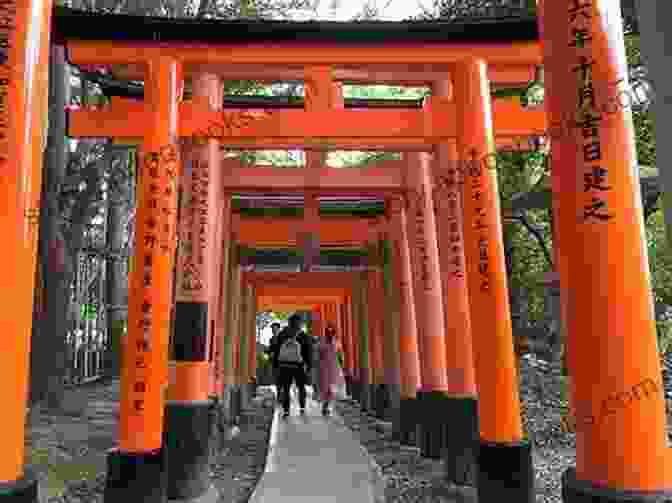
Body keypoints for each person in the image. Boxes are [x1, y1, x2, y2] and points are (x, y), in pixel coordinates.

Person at [270, 314, 313, 418]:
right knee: (301, 387)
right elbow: (308, 352)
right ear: (300, 323)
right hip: (299, 365)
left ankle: (286, 410)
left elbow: (276, 350)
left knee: (286, 388)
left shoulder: (282, 334)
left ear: (289, 322)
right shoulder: (303, 335)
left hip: (284, 365)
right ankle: (302, 407)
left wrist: (275, 364)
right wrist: (309, 365)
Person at [318, 325, 340, 416]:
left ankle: (328, 406)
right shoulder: (322, 343)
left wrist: (342, 367)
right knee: (326, 389)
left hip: (334, 368)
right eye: (328, 332)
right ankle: (325, 406)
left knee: (332, 389)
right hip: (324, 368)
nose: (330, 334)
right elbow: (318, 356)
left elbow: (340, 355)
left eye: (332, 332)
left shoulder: (337, 343)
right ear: (326, 333)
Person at [267, 322, 283, 403]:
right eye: (272, 329)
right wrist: (268, 352)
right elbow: (270, 350)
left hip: (282, 362)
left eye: (275, 328)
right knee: (277, 379)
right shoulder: (271, 339)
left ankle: (282, 396)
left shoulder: (283, 339)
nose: (273, 330)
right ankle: (280, 395)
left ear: (278, 329)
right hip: (274, 362)